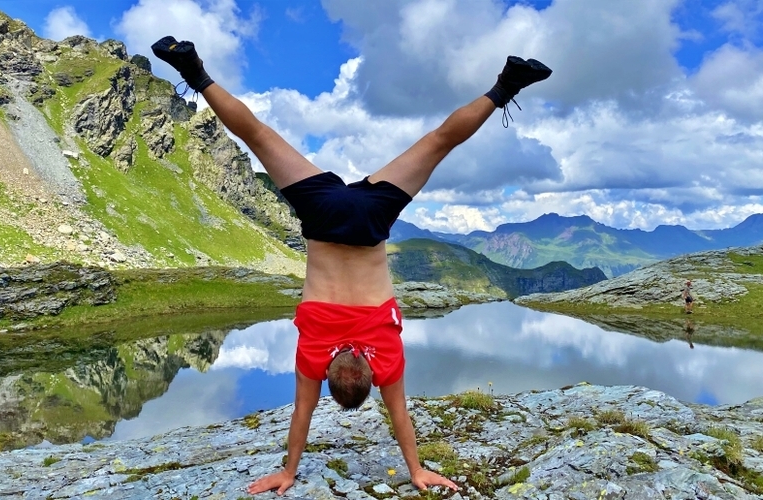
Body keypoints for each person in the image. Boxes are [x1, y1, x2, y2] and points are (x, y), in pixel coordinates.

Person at [152, 36, 552, 496]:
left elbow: (399, 416)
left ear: (368, 370)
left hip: (370, 219)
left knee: (438, 143)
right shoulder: (313, 356)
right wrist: (288, 472)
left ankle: (507, 85)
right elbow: (301, 416)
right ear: (331, 374)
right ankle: (194, 72)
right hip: (322, 217)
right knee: (258, 136)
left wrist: (417, 470)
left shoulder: (385, 357)